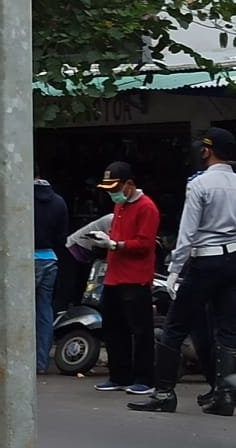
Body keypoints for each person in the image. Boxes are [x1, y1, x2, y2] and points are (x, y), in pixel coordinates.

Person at [130, 127, 236, 415]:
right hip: (231, 261)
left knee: (175, 326)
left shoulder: (200, 184)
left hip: (204, 262)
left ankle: (164, 393)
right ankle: (225, 395)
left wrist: (174, 271)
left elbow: (187, 232)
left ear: (207, 150)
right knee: (227, 330)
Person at [84, 162, 161, 395]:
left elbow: (145, 244)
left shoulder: (147, 207)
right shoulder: (121, 206)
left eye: (115, 187)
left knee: (140, 330)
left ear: (130, 184)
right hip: (114, 276)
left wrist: (115, 245)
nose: (111, 193)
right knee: (114, 329)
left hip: (136, 278)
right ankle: (119, 375)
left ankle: (145, 379)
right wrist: (106, 241)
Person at [34, 164, 69, 374]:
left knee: (20, 312)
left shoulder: (21, 199)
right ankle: (41, 363)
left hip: (25, 259)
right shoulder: (59, 201)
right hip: (50, 259)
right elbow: (61, 237)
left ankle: (22, 360)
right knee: (45, 311)